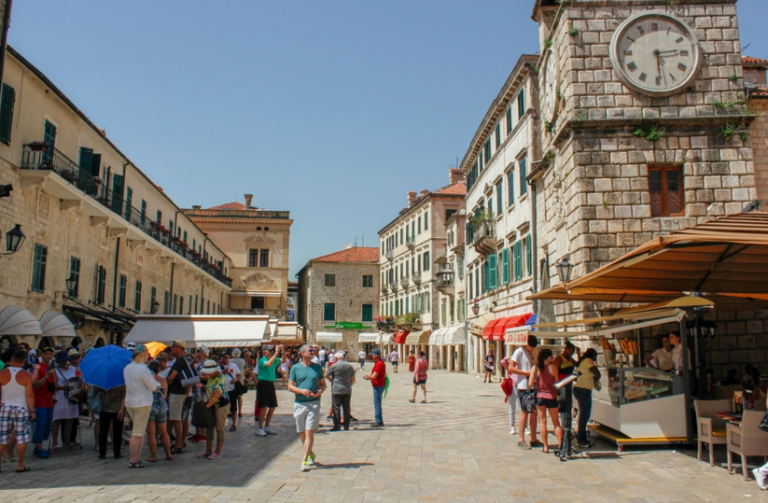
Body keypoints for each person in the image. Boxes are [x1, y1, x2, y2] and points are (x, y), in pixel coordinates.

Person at [288, 345, 326, 471]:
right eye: (310, 350)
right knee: (302, 432)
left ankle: (304, 459)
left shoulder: (317, 367)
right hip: (299, 403)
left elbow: (323, 385)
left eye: (313, 350)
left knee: (309, 431)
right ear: (302, 353)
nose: (313, 352)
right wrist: (300, 391)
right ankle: (310, 452)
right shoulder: (295, 368)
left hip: (313, 403)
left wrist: (319, 393)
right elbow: (290, 386)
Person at [123, 344, 160, 468]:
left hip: (130, 402)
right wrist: (155, 381)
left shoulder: (127, 367)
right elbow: (152, 386)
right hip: (142, 403)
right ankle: (133, 459)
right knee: (137, 433)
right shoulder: (143, 369)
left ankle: (137, 458)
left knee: (139, 431)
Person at [0, 349, 35, 473]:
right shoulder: (26, 375)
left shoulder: (3, 373)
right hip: (21, 407)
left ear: (12, 359)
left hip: (5, 406)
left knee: (2, 437)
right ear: (24, 360)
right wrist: (32, 410)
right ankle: (20, 465)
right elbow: (29, 394)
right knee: (21, 437)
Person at [509, 335, 542, 450]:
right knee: (524, 412)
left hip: (535, 386)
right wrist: (525, 373)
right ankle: (521, 439)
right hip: (523, 386)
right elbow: (511, 368)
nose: (532, 349)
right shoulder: (519, 351)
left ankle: (533, 439)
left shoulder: (535, 351)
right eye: (530, 347)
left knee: (534, 412)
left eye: (533, 347)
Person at [529, 348, 563, 454]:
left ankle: (546, 446)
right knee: (556, 422)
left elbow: (530, 384)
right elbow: (557, 383)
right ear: (548, 357)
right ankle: (561, 445)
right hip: (551, 396)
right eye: (551, 356)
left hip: (540, 397)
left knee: (542, 422)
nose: (552, 358)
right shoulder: (553, 367)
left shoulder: (536, 368)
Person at [166, 339, 196, 454]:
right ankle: (176, 441)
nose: (172, 349)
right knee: (175, 418)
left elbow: (172, 377)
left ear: (179, 348)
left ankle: (178, 445)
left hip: (177, 393)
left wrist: (164, 385)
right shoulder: (184, 360)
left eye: (174, 346)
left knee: (176, 419)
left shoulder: (180, 361)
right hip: (181, 392)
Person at [195, 359, 229, 459]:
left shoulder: (220, 379)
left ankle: (217, 452)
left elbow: (216, 396)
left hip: (221, 405)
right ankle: (208, 450)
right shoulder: (211, 377)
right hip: (212, 405)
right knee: (209, 428)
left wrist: (206, 407)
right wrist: (202, 386)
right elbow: (210, 389)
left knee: (219, 428)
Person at [51, 350, 83, 450]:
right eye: (63, 361)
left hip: (72, 396)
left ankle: (67, 441)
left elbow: (77, 380)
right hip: (60, 396)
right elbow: (55, 385)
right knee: (57, 420)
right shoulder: (55, 371)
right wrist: (64, 387)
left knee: (70, 419)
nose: (65, 362)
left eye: (66, 360)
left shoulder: (73, 369)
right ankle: (55, 442)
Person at [30, 346, 55, 458]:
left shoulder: (51, 368)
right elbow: (35, 383)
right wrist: (46, 377)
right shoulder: (38, 368)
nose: (48, 356)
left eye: (50, 354)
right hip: (40, 401)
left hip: (49, 400)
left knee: (47, 425)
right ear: (42, 356)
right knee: (41, 424)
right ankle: (39, 448)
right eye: (46, 354)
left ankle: (37, 446)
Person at [145, 360, 172, 462]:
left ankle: (153, 456)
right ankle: (168, 454)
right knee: (164, 432)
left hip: (150, 407)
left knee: (151, 433)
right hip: (162, 407)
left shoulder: (148, 380)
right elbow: (164, 395)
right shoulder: (163, 380)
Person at [573, 348, 600, 448]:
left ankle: (581, 437)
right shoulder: (589, 361)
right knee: (585, 415)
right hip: (584, 390)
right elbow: (598, 374)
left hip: (578, 388)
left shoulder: (581, 361)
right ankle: (582, 440)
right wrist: (595, 378)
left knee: (582, 415)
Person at [254, 345, 282, 437]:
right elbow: (268, 364)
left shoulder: (275, 360)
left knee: (272, 406)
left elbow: (284, 361)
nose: (265, 351)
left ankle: (267, 426)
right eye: (264, 350)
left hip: (270, 384)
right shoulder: (262, 360)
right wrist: (276, 353)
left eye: (268, 350)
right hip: (263, 384)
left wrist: (283, 351)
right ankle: (260, 428)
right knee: (264, 407)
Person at [325, 350, 355, 431]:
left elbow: (326, 374)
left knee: (336, 407)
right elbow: (353, 379)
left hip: (337, 389)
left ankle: (337, 425)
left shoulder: (334, 366)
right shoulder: (349, 366)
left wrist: (332, 380)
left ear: (336, 358)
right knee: (346, 408)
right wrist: (349, 385)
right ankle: (346, 425)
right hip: (347, 389)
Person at [97, 385, 126, 459]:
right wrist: (122, 409)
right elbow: (124, 396)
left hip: (105, 407)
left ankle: (102, 453)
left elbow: (96, 391)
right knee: (117, 431)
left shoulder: (103, 381)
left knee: (103, 431)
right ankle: (117, 452)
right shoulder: (121, 381)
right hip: (117, 408)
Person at [364, 348, 386, 427]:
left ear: (375, 356)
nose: (372, 356)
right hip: (378, 384)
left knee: (377, 403)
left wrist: (368, 377)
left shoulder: (379, 363)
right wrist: (368, 376)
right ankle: (379, 420)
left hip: (378, 385)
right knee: (377, 403)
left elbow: (374, 376)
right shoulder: (378, 362)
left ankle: (379, 421)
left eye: (372, 355)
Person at [219, 352, 241, 432]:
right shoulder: (219, 368)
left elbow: (239, 374)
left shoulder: (233, 365)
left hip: (232, 390)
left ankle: (234, 424)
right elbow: (216, 378)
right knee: (222, 408)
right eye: (225, 357)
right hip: (222, 391)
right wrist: (223, 372)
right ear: (221, 359)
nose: (227, 359)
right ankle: (223, 424)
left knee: (234, 408)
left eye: (228, 357)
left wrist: (235, 379)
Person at [500, 354, 520, 435]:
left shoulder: (521, 366)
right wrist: (508, 357)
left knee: (523, 407)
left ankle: (525, 426)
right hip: (512, 386)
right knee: (511, 407)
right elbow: (503, 361)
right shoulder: (510, 365)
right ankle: (512, 426)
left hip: (521, 387)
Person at [231, 349, 247, 417]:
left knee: (232, 396)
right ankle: (240, 411)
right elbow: (246, 364)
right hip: (240, 379)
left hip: (232, 380)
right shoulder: (242, 361)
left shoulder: (230, 361)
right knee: (239, 396)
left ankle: (231, 411)